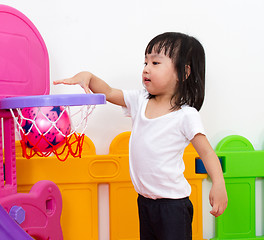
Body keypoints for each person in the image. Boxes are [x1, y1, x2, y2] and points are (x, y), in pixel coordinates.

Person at [54, 32, 227, 240]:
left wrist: (218, 184)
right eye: (145, 62)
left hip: (173, 206)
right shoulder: (141, 100)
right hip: (145, 201)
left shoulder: (186, 115)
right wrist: (88, 76)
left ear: (184, 72)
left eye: (155, 62)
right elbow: (108, 92)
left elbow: (207, 153)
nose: (146, 68)